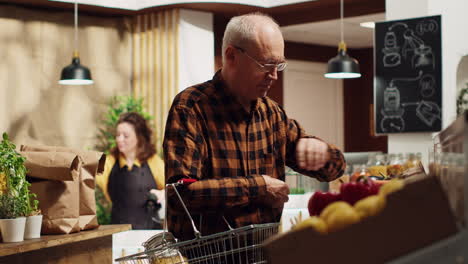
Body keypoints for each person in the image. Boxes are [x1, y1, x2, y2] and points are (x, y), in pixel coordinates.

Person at [163, 13, 345, 241]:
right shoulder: (191, 107)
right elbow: (180, 194)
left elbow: (336, 168)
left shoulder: (272, 115)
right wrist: (258, 187)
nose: (274, 76)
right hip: (207, 257)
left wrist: (324, 155)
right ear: (231, 56)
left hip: (263, 253)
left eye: (279, 65)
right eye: (266, 64)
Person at [96, 112, 165, 229]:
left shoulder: (153, 161)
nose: (119, 139)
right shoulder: (109, 161)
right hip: (118, 232)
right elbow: (91, 177)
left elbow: (172, 189)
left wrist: (163, 193)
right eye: (118, 135)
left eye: (125, 136)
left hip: (150, 233)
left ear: (139, 137)